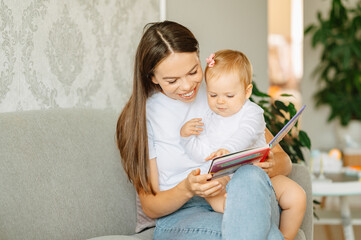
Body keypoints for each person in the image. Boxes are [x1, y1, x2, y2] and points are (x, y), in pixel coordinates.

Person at [116, 20, 294, 240]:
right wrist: (189, 188)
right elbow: (151, 206)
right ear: (152, 77)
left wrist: (271, 165)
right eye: (172, 80)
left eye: (193, 71)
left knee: (249, 175)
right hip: (183, 213)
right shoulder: (142, 117)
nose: (187, 86)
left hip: (239, 197)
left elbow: (285, 162)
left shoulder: (219, 93)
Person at [180, 49, 306, 240]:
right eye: (213, 95)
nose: (220, 102)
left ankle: (285, 237)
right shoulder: (208, 118)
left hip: (258, 177)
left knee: (297, 196)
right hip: (224, 177)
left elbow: (245, 135)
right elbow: (200, 154)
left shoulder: (252, 113)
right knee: (209, 184)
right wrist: (187, 138)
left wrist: (228, 150)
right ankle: (231, 211)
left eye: (229, 96)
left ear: (247, 92)